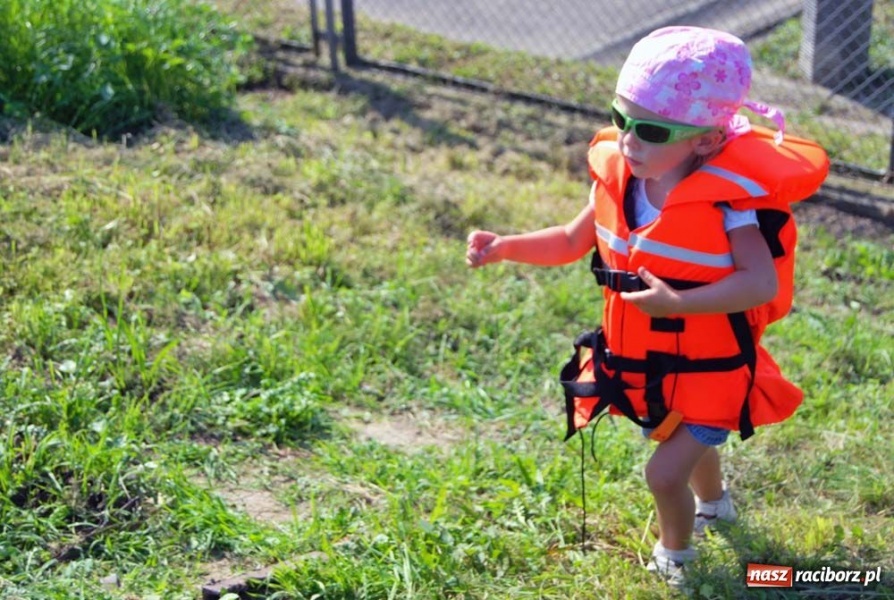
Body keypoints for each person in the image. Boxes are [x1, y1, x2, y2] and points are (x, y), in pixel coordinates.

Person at [466, 27, 828, 587]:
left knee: (662, 474)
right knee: (680, 445)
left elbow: (757, 284)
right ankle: (716, 507)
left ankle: (676, 560)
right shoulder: (622, 183)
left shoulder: (729, 205)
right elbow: (569, 240)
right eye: (621, 119)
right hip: (653, 371)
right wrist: (505, 247)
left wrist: (677, 302)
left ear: (705, 141)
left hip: (713, 374)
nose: (630, 140)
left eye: (652, 129)